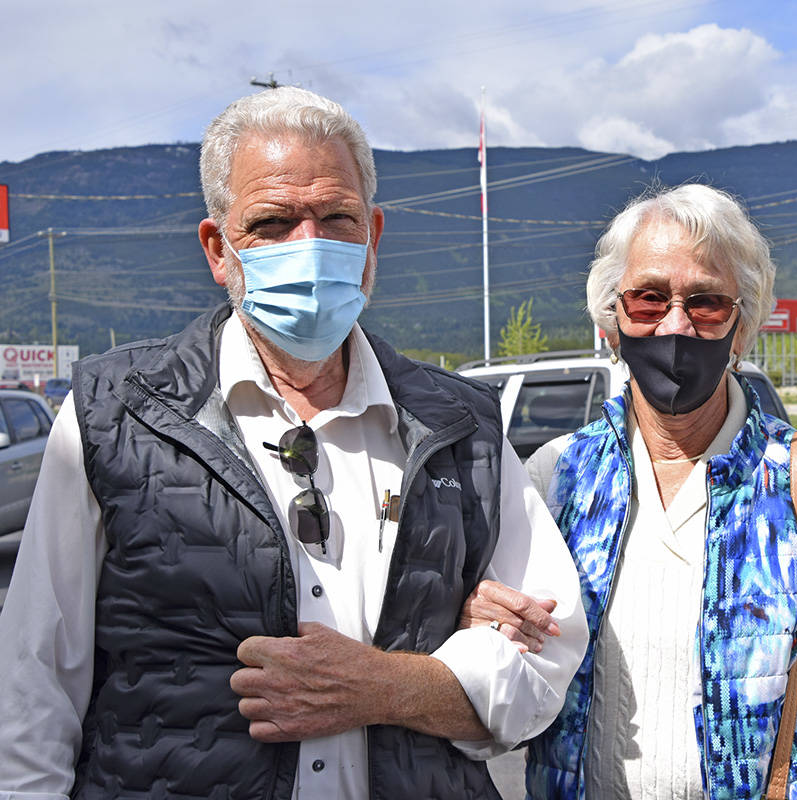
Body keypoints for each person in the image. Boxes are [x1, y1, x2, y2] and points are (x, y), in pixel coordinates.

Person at [0, 87, 587, 800]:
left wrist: (388, 686)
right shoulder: (115, 414)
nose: (309, 248)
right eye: (272, 224)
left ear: (372, 238)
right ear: (218, 250)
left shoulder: (462, 425)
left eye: (336, 218)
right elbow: (31, 689)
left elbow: (544, 664)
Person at [461, 184, 797, 799]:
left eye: (707, 302)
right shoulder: (559, 477)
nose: (675, 324)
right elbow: (502, 702)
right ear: (613, 322)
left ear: (741, 328)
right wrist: (480, 633)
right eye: (648, 298)